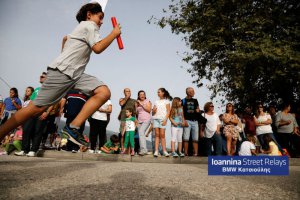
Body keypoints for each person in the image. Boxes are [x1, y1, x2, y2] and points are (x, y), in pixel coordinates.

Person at [0, 3, 121, 151]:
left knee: (103, 92)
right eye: (100, 17)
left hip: (75, 74)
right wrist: (114, 34)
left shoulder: (79, 29)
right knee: (35, 109)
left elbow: (65, 40)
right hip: (63, 73)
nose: (102, 22)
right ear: (89, 15)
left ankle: (73, 127)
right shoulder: (90, 25)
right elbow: (98, 48)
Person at [15, 73, 52, 157]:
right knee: (26, 130)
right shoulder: (37, 89)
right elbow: (31, 101)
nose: (40, 77)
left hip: (42, 113)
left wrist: (47, 112)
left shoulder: (50, 90)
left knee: (37, 131)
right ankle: (24, 150)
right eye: (40, 76)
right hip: (31, 113)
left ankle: (33, 150)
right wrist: (28, 111)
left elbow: (52, 103)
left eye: (42, 76)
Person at [152, 88, 172, 157]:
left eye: (159, 92)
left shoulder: (167, 101)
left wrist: (165, 120)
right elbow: (153, 112)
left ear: (163, 93)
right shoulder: (156, 101)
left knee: (162, 135)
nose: (158, 93)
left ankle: (164, 151)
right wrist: (153, 110)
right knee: (157, 135)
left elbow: (169, 111)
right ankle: (156, 151)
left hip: (162, 119)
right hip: (155, 119)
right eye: (157, 92)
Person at [182, 87, 200, 156]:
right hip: (187, 121)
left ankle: (196, 153)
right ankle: (185, 153)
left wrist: (198, 110)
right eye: (193, 91)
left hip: (195, 121)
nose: (194, 93)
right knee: (186, 138)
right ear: (189, 92)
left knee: (195, 138)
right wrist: (183, 120)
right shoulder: (183, 100)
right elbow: (181, 111)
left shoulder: (195, 100)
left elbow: (198, 108)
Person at [136, 90, 151, 156]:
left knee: (141, 132)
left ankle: (143, 150)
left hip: (146, 119)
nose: (142, 95)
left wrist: (141, 104)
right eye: (140, 94)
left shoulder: (147, 101)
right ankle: (143, 150)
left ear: (145, 95)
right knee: (140, 135)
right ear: (138, 96)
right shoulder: (137, 103)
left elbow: (149, 110)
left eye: (143, 94)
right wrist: (136, 120)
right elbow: (136, 112)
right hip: (139, 120)